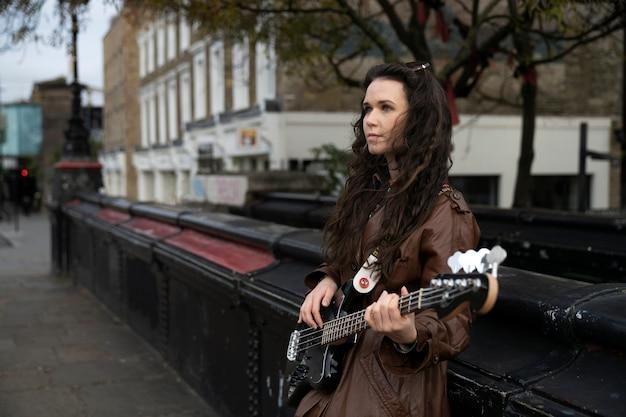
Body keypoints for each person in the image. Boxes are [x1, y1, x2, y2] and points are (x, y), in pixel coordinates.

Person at [296, 62, 480, 417]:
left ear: (417, 120)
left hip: (393, 389)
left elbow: (454, 321)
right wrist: (330, 277)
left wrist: (409, 331)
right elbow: (357, 260)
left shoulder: (446, 212)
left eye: (386, 108)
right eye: (367, 108)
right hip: (342, 372)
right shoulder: (374, 194)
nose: (370, 119)